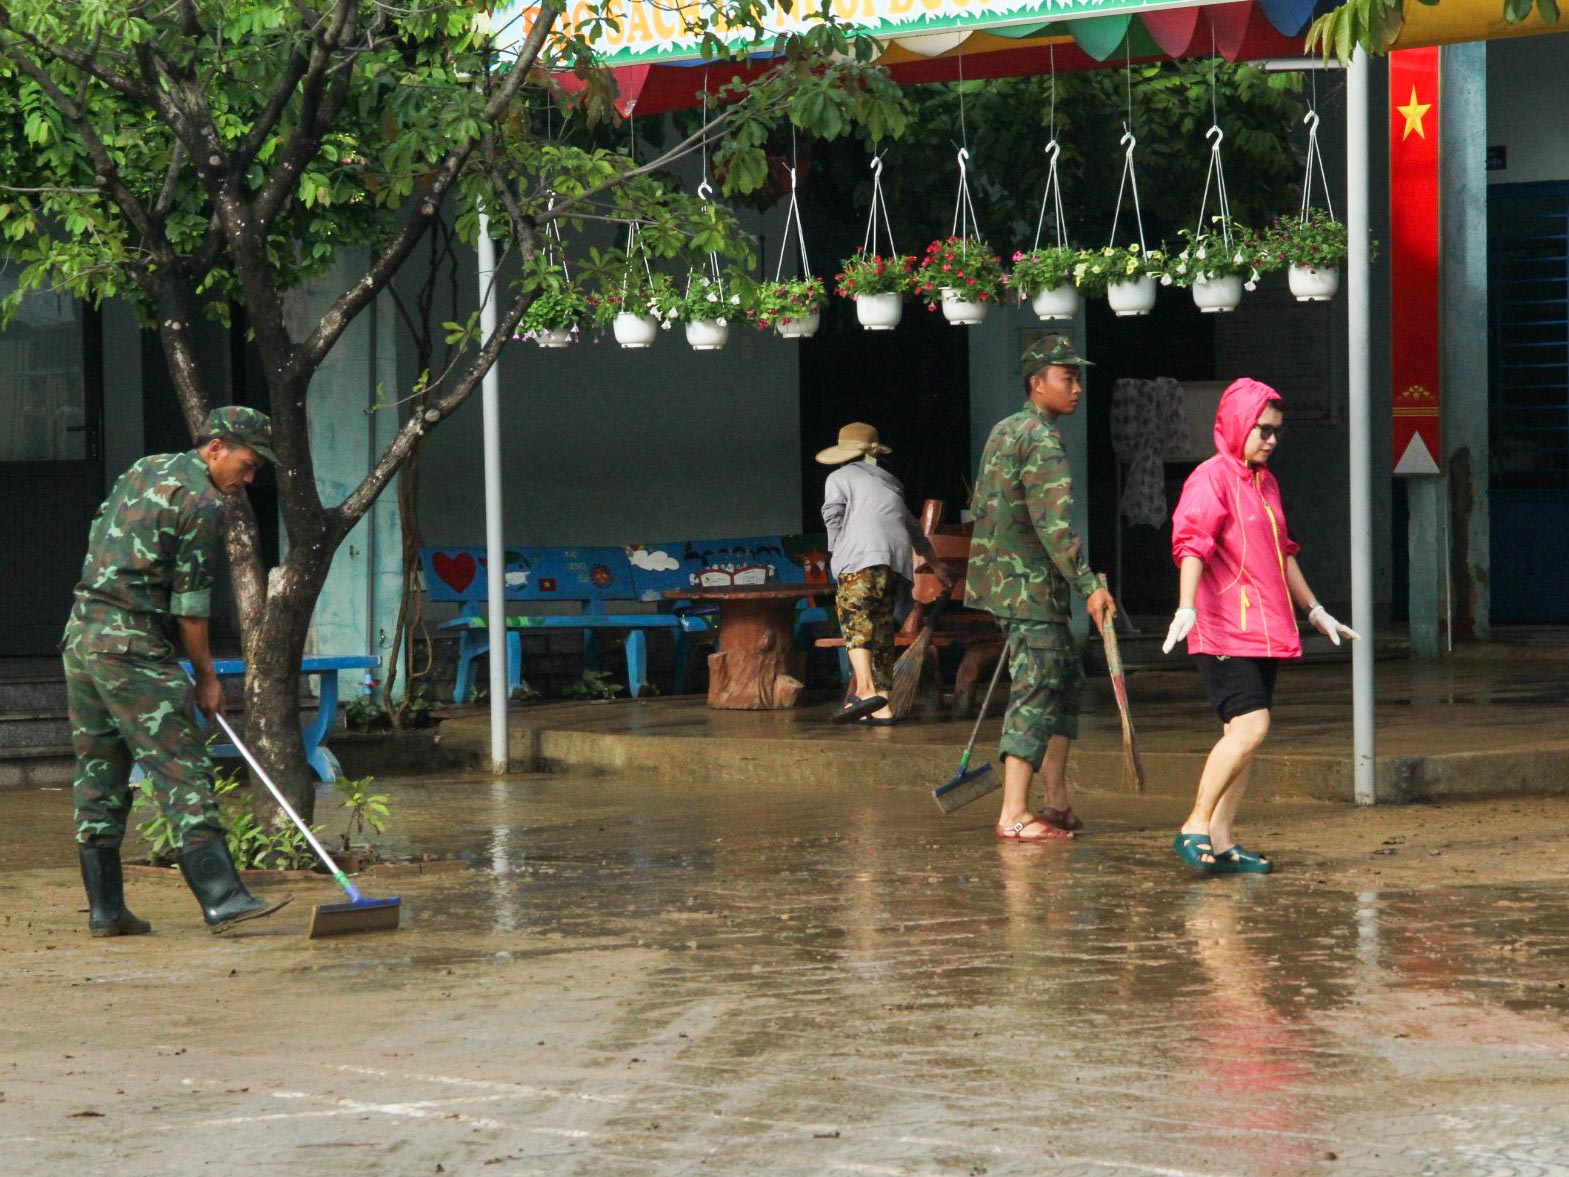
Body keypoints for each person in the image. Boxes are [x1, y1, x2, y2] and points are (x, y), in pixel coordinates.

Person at [65, 406, 293, 935]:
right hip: (131, 645)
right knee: (182, 767)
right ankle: (223, 898)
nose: (249, 478)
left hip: (82, 635)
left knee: (99, 772)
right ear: (216, 448)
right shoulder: (203, 503)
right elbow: (190, 610)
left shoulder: (143, 468)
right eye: (249, 463)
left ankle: (106, 912)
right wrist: (208, 679)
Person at [1162, 378, 1359, 874]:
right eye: (1262, 429)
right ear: (1236, 424)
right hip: (1223, 625)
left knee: (1243, 736)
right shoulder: (1211, 477)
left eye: (1276, 432)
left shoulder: (1264, 482)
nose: (1271, 440)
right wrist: (1186, 607)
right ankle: (1195, 825)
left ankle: (1224, 841)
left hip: (1263, 628)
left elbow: (1283, 552)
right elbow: (1192, 544)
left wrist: (1315, 610)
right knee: (1251, 726)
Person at [966, 335, 1116, 841]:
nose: (1076, 388)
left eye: (1077, 378)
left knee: (1061, 688)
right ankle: (1013, 812)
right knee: (1036, 691)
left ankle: (1056, 802)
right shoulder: (1042, 440)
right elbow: (1053, 526)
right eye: (1066, 378)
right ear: (1037, 384)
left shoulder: (1007, 430)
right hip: (1029, 590)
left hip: (1015, 586)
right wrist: (1090, 585)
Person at [818, 422, 954, 724]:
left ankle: (866, 691)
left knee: (855, 623)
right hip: (895, 563)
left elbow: (833, 516)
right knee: (880, 629)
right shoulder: (890, 482)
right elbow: (913, 529)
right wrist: (935, 564)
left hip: (861, 558)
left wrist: (836, 553)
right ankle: (882, 705)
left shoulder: (838, 477)